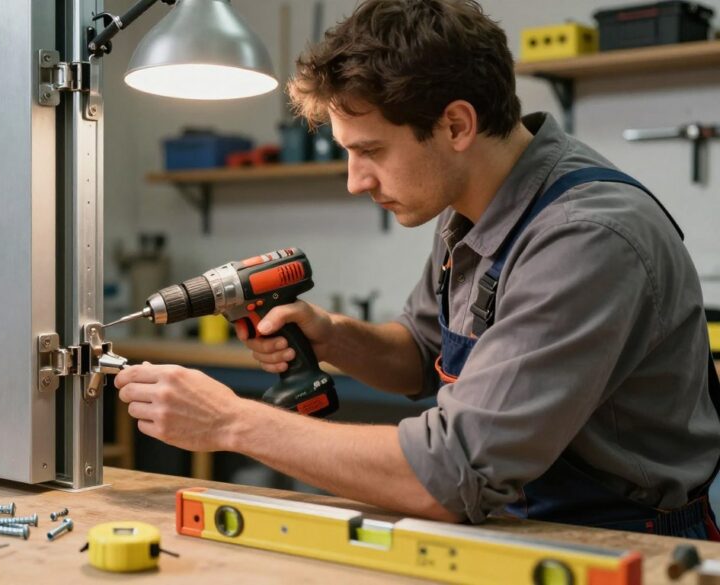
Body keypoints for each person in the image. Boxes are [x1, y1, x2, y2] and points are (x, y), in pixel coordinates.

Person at [114, 0, 720, 539]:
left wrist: (229, 422)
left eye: (370, 151)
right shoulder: (472, 205)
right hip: (524, 522)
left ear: (456, 125)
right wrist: (334, 336)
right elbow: (421, 352)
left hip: (631, 541)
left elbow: (450, 477)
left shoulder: (585, 239)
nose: (355, 181)